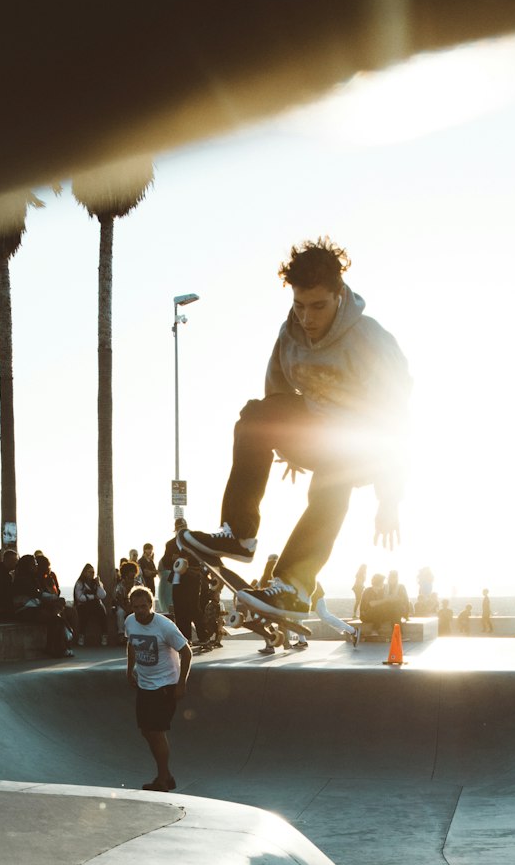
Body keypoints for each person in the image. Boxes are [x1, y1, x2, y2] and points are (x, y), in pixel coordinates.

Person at [180, 236, 410, 620]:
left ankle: (294, 583)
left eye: (318, 307)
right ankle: (239, 533)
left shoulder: (368, 339)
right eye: (299, 306)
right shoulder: (290, 333)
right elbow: (277, 394)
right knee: (253, 416)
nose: (308, 318)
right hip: (316, 432)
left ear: (339, 296)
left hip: (365, 445)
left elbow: (397, 419)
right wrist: (281, 443)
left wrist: (389, 499)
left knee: (331, 480)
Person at [124, 583, 191, 792]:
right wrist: (129, 670)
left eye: (144, 607)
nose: (140, 612)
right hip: (144, 684)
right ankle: (166, 775)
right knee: (146, 731)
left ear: (151, 605)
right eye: (136, 607)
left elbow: (187, 652)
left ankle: (163, 779)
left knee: (157, 731)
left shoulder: (165, 626)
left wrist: (182, 683)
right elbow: (131, 644)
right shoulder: (130, 621)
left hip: (165, 685)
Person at [73, 563, 108, 645]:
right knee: (84, 614)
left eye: (93, 572)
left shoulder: (96, 583)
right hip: (83, 605)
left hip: (95, 604)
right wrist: (92, 596)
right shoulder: (80, 583)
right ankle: (81, 635)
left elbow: (102, 595)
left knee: (102, 612)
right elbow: (79, 597)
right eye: (90, 572)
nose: (92, 574)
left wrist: (99, 584)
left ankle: (104, 635)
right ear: (85, 572)